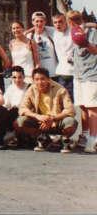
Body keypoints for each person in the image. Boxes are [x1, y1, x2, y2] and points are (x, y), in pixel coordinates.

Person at [15, 67, 77, 153]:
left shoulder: (60, 89)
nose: (40, 82)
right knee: (19, 122)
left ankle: (62, 140)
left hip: (56, 121)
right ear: (33, 80)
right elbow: (22, 108)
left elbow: (70, 110)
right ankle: (43, 138)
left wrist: (52, 119)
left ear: (48, 79)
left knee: (71, 122)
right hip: (40, 122)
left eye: (42, 79)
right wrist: (37, 116)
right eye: (37, 79)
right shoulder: (31, 89)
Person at [67, 10, 97, 152]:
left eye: (77, 20)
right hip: (78, 74)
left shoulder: (92, 32)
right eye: (73, 21)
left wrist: (85, 42)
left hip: (91, 74)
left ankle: (93, 139)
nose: (74, 23)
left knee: (92, 108)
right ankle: (84, 136)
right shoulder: (73, 32)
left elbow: (95, 50)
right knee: (83, 107)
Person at [2, 66, 29, 145]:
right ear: (11, 78)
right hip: (12, 114)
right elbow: (5, 104)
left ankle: (16, 135)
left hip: (24, 113)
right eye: (14, 77)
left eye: (20, 77)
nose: (17, 80)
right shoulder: (10, 88)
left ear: (24, 77)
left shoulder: (29, 87)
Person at [51, 13, 75, 102]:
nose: (58, 24)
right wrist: (26, 32)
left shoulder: (73, 30)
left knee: (75, 101)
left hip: (74, 72)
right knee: (63, 101)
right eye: (55, 22)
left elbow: (90, 25)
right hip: (61, 73)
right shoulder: (53, 32)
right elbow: (38, 27)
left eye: (60, 21)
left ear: (66, 22)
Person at [27, 11, 58, 77]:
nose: (39, 23)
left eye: (41, 21)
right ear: (32, 22)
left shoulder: (51, 32)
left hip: (54, 72)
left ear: (45, 22)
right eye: (37, 21)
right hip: (39, 74)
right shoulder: (29, 36)